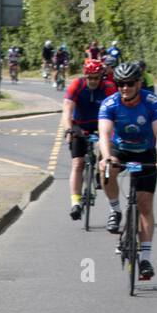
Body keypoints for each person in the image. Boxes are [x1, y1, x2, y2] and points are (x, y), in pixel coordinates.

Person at [97, 61, 157, 282]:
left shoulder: (152, 102)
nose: (125, 88)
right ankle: (115, 209)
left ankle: (146, 257)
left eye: (129, 83)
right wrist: (107, 156)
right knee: (106, 166)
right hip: (121, 149)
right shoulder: (110, 103)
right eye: (120, 83)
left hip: (145, 151)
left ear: (139, 83)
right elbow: (105, 134)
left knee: (145, 205)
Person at [60, 58, 120, 222]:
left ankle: (99, 175)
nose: (92, 81)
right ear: (85, 76)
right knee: (78, 163)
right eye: (89, 78)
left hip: (102, 125)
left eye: (96, 78)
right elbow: (67, 110)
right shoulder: (77, 85)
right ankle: (75, 203)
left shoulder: (108, 87)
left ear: (101, 76)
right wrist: (68, 130)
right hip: (80, 125)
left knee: (105, 154)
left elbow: (116, 112)